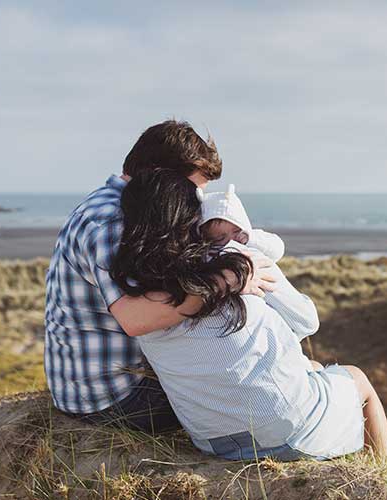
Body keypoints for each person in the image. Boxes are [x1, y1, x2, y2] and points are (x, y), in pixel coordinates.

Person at [112, 169, 387, 469]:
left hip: (213, 441)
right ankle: (386, 482)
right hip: (286, 430)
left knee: (310, 369)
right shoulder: (236, 262)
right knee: (358, 380)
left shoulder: (133, 291)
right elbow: (306, 323)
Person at [43, 120, 275, 434]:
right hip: (115, 397)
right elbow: (136, 318)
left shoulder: (111, 205)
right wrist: (226, 281)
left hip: (91, 387)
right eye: (191, 190)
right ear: (159, 176)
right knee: (264, 400)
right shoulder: (112, 221)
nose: (195, 203)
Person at [197, 184, 285, 262]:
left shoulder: (253, 240)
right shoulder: (210, 256)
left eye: (236, 231)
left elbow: (278, 249)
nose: (231, 239)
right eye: (220, 237)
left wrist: (251, 239)